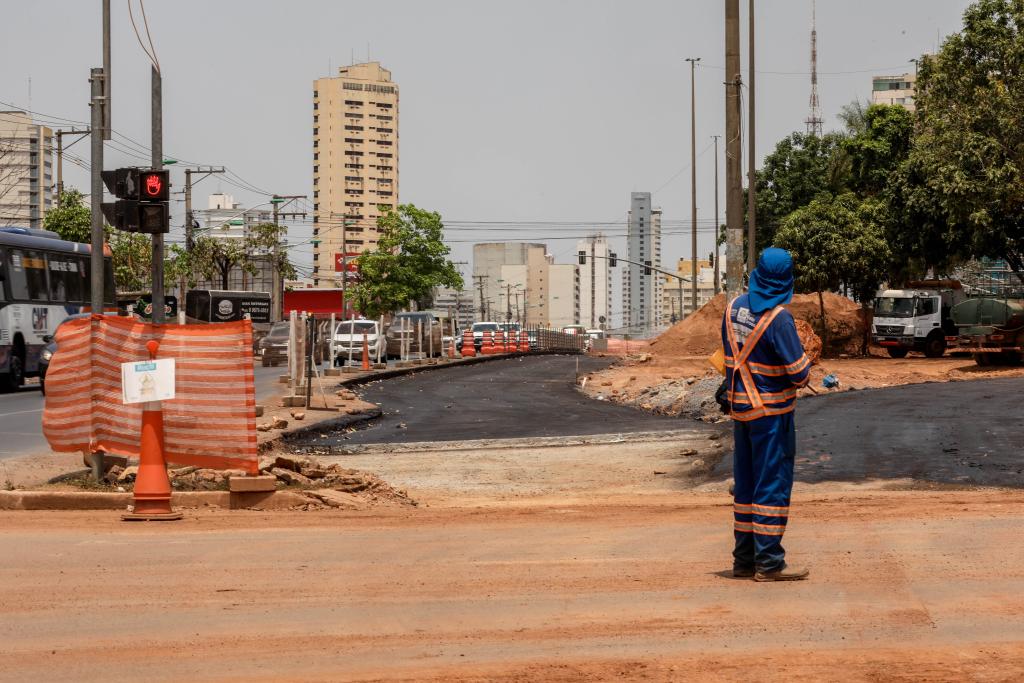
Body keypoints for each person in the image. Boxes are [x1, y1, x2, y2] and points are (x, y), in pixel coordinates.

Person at [721, 247, 812, 582]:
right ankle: (770, 563)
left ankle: (744, 560)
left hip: (741, 411)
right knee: (771, 486)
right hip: (772, 416)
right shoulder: (779, 319)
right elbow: (799, 375)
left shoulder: (732, 309)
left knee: (746, 485)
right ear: (786, 281)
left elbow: (728, 357)